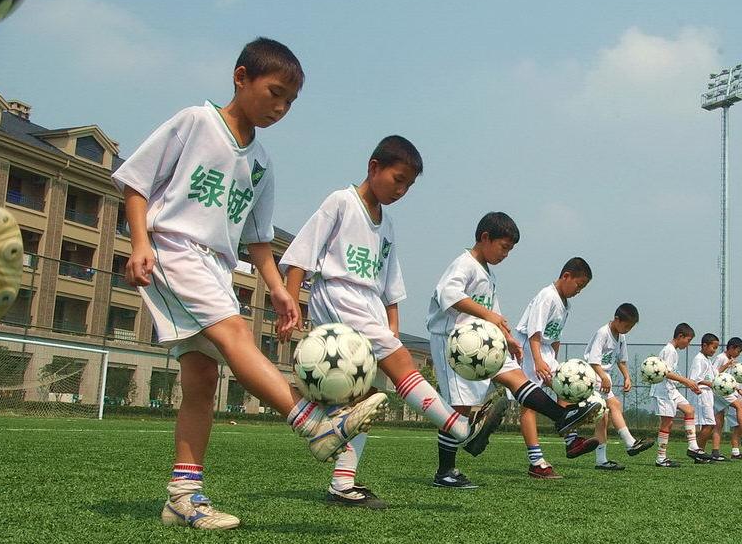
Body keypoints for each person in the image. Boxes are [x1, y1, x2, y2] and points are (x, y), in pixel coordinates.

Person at [113, 38, 385, 530]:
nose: (280, 108)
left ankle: (182, 496)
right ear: (241, 77)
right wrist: (139, 242)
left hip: (218, 266)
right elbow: (136, 182)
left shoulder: (261, 163)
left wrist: (278, 287)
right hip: (175, 249)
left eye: (290, 102)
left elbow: (258, 240)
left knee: (202, 381)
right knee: (236, 332)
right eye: (275, 93)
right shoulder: (196, 122)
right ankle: (312, 423)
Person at [281, 136, 507, 508]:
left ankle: (342, 484)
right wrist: (290, 302)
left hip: (368, 304)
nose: (401, 190)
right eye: (397, 179)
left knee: (363, 401)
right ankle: (462, 430)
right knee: (401, 363)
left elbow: (390, 286)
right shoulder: (341, 202)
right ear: (374, 167)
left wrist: (392, 326)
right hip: (340, 296)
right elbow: (301, 255)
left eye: (408, 185)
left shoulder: (387, 223)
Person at [425, 212, 600, 489]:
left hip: (483, 341)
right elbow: (449, 294)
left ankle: (562, 416)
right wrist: (489, 316)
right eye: (504, 247)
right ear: (485, 238)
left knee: (517, 377)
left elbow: (493, 313)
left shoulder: (488, 273)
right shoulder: (465, 263)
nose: (506, 255)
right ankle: (446, 470)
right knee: (459, 408)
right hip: (454, 343)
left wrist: (507, 338)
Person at [515, 257, 595, 479]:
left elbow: (556, 336)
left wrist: (556, 365)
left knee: (565, 388)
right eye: (579, 285)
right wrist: (538, 360)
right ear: (566, 276)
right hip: (530, 348)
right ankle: (536, 462)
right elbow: (534, 332)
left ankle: (572, 441)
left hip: (546, 351)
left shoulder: (565, 304)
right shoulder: (547, 296)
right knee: (529, 404)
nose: (579, 291)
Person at [581, 303, 654, 470]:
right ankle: (630, 443)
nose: (628, 330)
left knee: (604, 417)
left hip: (604, 378)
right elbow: (593, 360)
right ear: (617, 319)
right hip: (593, 376)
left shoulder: (621, 337)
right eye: (626, 326)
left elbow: (621, 360)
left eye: (631, 327)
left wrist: (627, 376)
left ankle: (602, 460)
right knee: (613, 406)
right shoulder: (603, 333)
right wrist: (603, 377)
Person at [650, 323, 711, 466]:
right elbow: (666, 373)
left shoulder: (673, 351)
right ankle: (661, 458)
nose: (688, 344)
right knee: (667, 423)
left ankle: (693, 447)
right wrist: (687, 381)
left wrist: (691, 384)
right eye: (688, 340)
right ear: (680, 336)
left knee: (689, 410)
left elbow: (672, 373)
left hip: (671, 390)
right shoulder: (669, 350)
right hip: (663, 391)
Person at [688, 333, 720, 458]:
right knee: (709, 424)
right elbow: (694, 379)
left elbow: (714, 375)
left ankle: (699, 451)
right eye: (713, 347)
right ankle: (697, 452)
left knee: (709, 424)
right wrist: (710, 384)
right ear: (704, 345)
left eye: (716, 348)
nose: (714, 351)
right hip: (701, 394)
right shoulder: (699, 359)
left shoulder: (707, 360)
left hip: (708, 394)